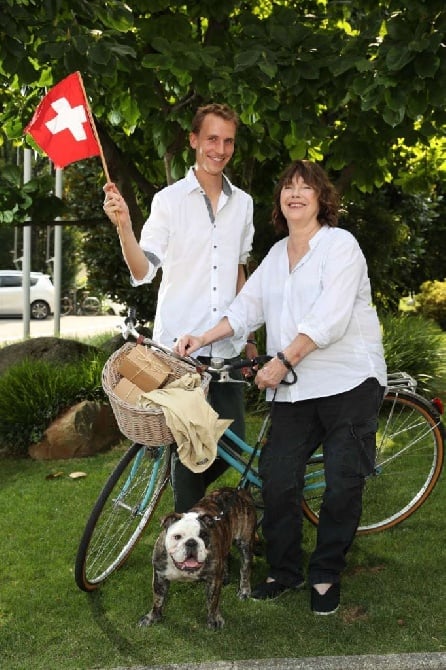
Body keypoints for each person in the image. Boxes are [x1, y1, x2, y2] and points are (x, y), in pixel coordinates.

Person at [175, 159, 387, 615]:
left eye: (305, 187)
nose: (295, 193)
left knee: (342, 483)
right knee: (277, 478)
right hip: (295, 388)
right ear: (281, 201)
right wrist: (203, 336)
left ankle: (326, 571)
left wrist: (284, 359)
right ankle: (285, 570)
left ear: (321, 198)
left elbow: (329, 318)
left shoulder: (340, 246)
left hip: (348, 380)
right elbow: (246, 307)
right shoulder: (275, 255)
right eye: (288, 187)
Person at [103, 103, 257, 513]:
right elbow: (143, 268)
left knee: (231, 441)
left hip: (225, 345)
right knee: (191, 445)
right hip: (178, 352)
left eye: (227, 141)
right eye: (211, 138)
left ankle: (185, 508)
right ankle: (189, 537)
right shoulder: (168, 201)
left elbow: (239, 271)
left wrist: (251, 336)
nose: (219, 149)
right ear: (193, 141)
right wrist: (124, 227)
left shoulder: (243, 204)